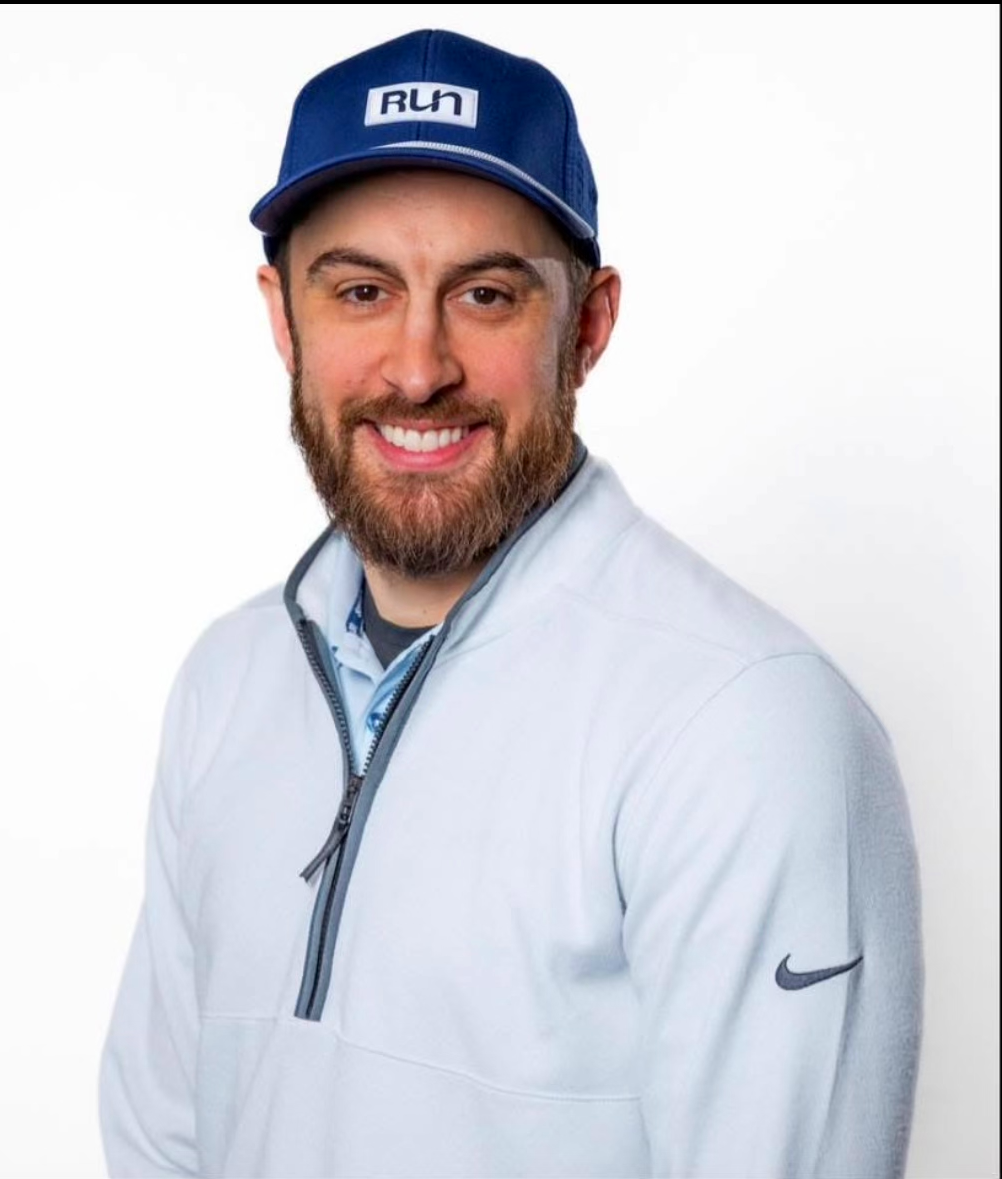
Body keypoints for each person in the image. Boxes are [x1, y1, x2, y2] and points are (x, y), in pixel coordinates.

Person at [99, 29, 923, 1178]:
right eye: (360, 290)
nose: (418, 364)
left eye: (486, 294)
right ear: (284, 318)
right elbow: (164, 1144)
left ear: (585, 328)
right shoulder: (227, 683)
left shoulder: (744, 723)